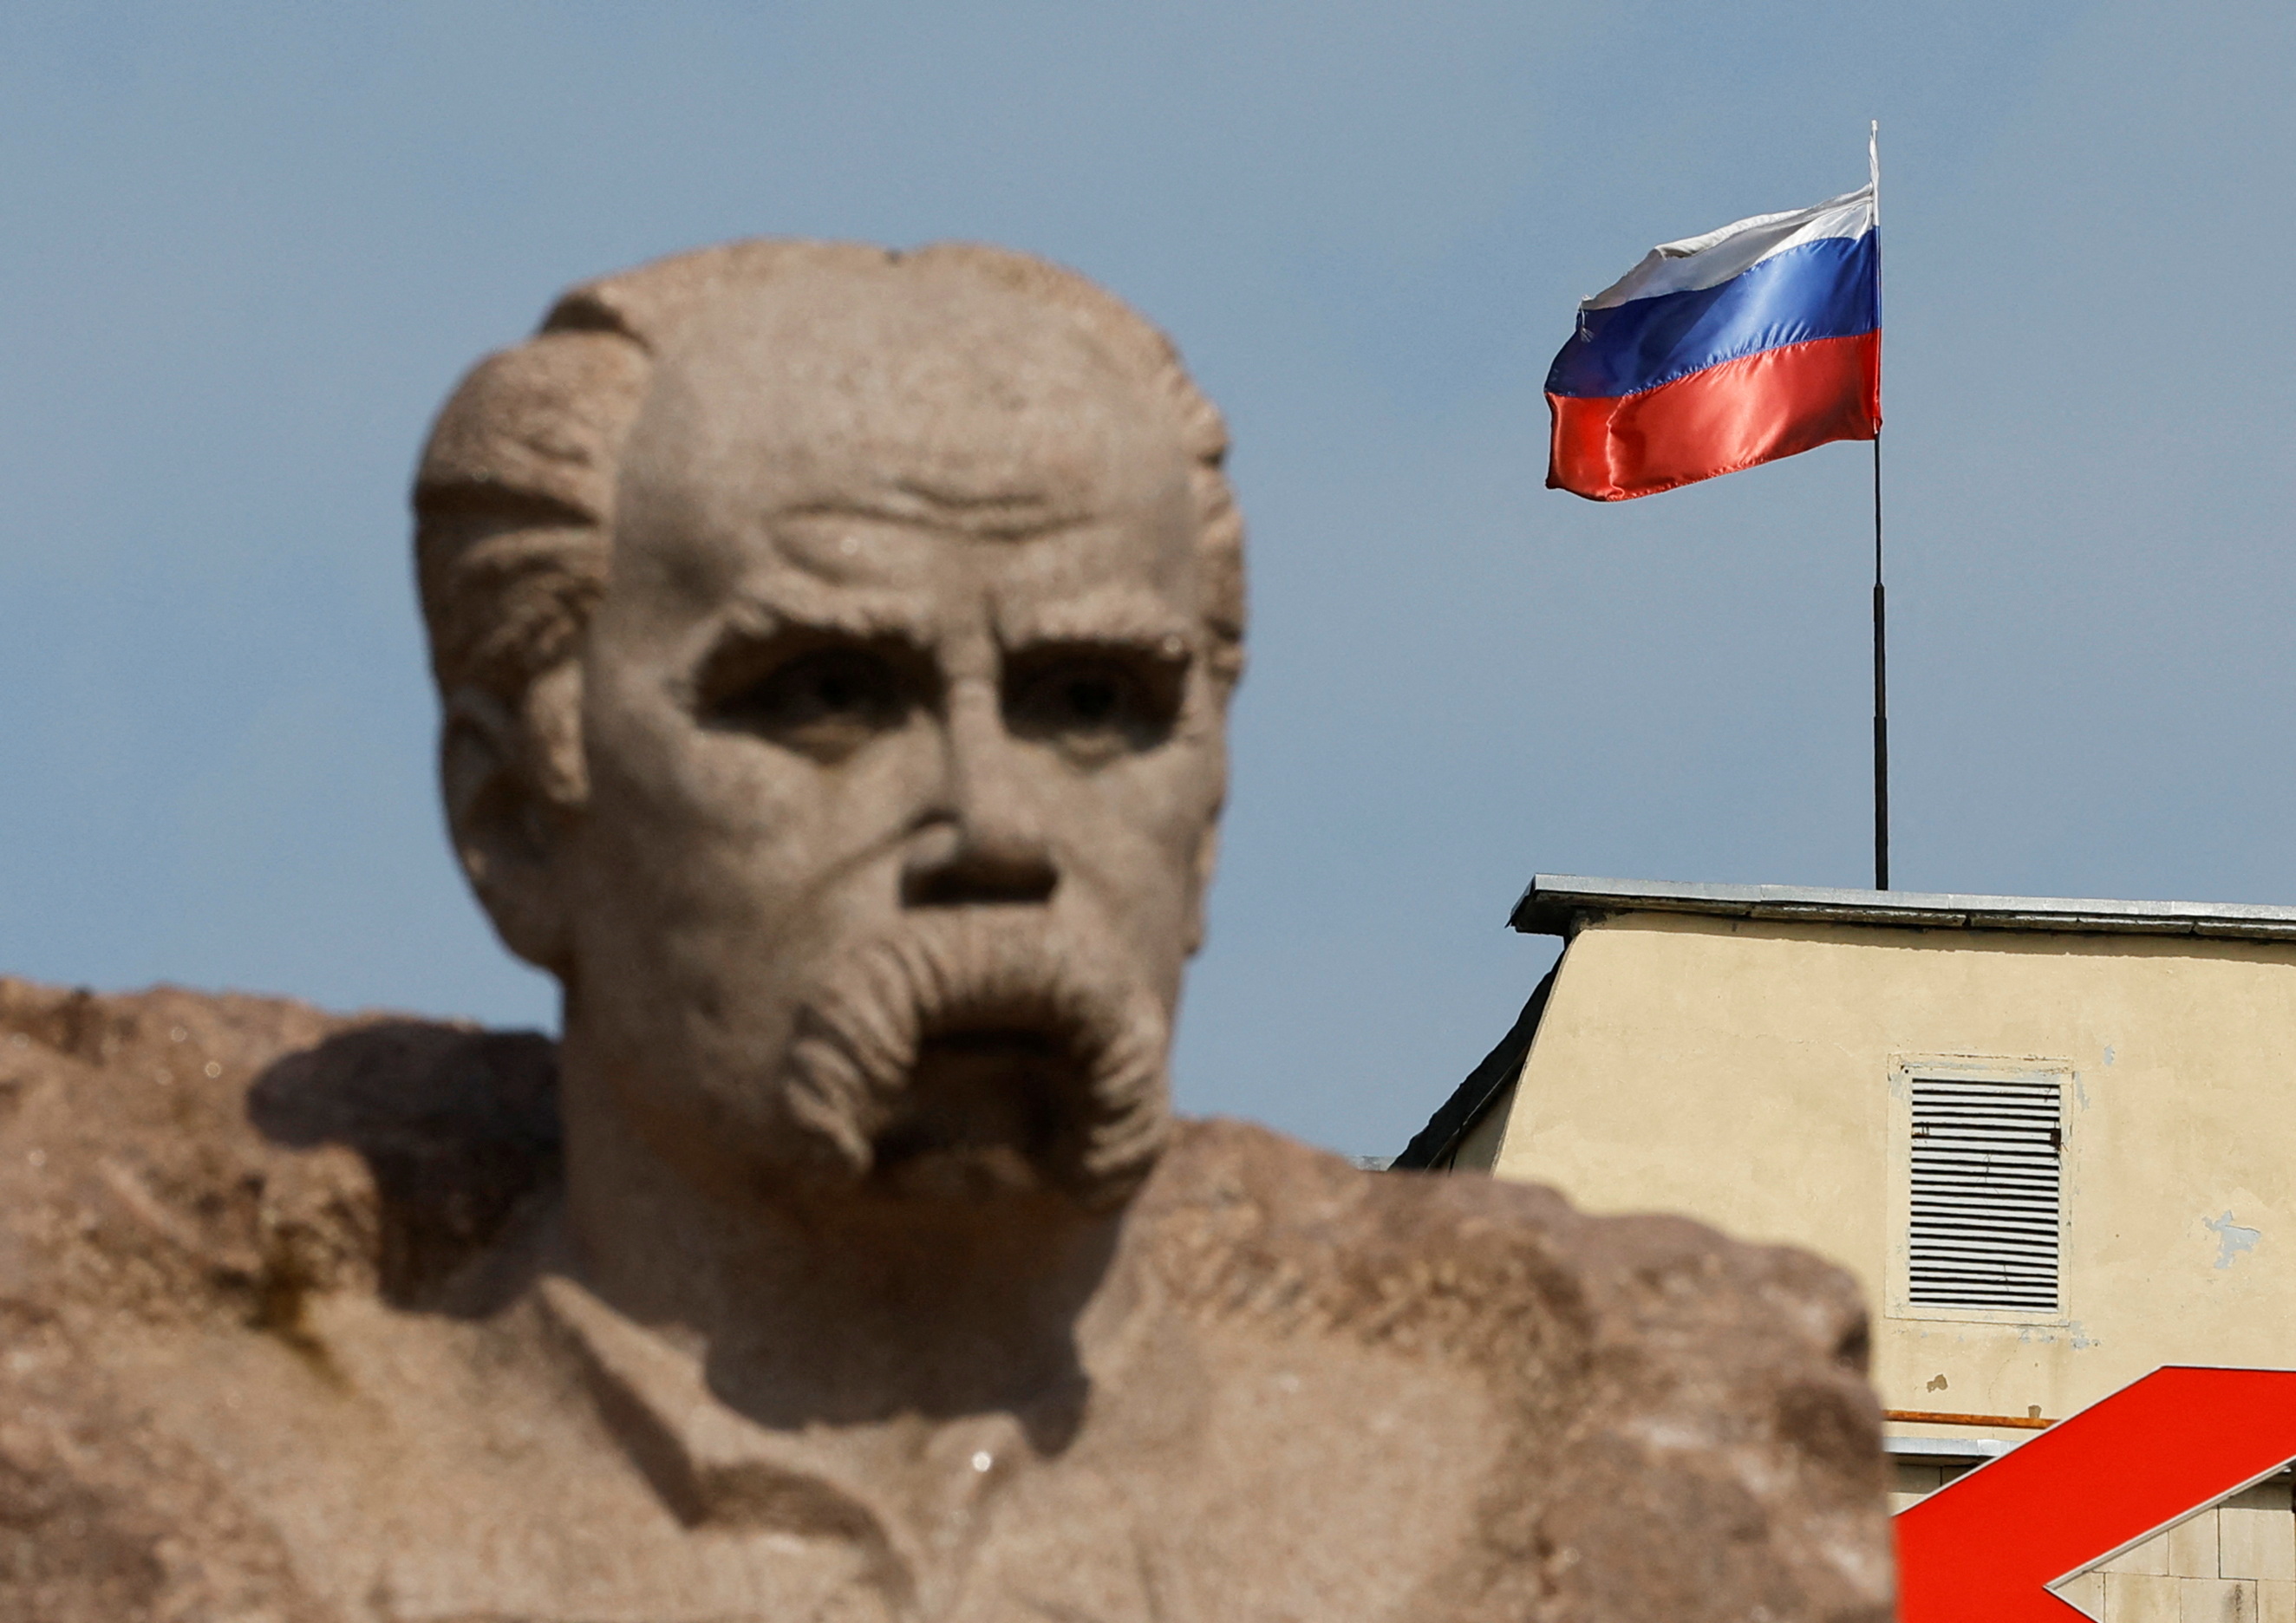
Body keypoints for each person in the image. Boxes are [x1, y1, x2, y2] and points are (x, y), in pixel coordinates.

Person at [0, 241, 1893, 1622]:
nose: (997, 829)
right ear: (515, 821)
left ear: (1208, 807)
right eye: (823, 693)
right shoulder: (208, 1489)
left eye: (1093, 704)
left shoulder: (1504, 1502)